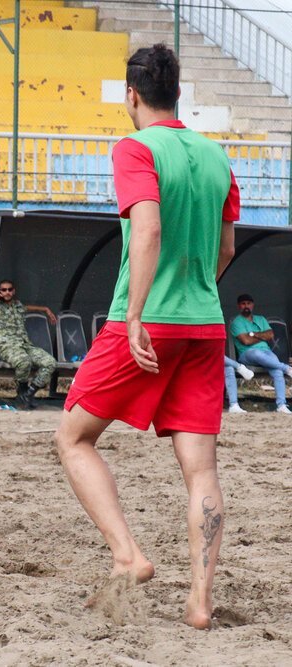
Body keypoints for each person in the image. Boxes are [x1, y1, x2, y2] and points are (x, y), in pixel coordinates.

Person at [53, 44, 240, 629]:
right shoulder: (216, 157)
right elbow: (227, 249)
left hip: (148, 323)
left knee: (74, 437)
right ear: (178, 93)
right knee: (201, 470)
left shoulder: (135, 147)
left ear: (131, 96)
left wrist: (135, 315)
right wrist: (195, 292)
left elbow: (149, 227)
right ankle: (200, 603)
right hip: (205, 329)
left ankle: (128, 555)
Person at [0, 280, 57, 409]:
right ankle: (22, 391)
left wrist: (46, 310)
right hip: (6, 347)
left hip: (25, 345)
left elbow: (30, 308)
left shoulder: (18, 306)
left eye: (10, 289)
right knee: (24, 362)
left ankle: (28, 394)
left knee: (50, 362)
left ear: (13, 291)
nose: (7, 292)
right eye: (3, 290)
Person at [229, 293, 292, 414]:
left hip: (266, 352)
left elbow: (270, 335)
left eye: (248, 303)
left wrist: (253, 334)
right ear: (238, 306)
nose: (246, 306)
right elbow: (246, 341)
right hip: (247, 354)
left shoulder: (261, 319)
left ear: (252, 305)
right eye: (243, 304)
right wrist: (262, 336)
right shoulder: (237, 321)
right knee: (258, 354)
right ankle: (287, 369)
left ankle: (281, 405)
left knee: (277, 370)